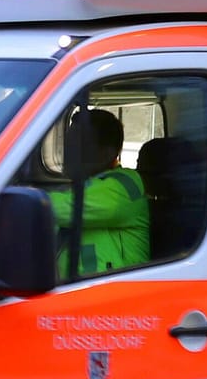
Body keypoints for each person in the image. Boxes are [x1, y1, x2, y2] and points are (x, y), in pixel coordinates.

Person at [48, 108, 151, 277]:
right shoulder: (75, 188)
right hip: (78, 293)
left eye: (77, 145)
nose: (67, 152)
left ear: (106, 153)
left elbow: (69, 207)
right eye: (67, 144)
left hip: (119, 296)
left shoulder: (126, 184)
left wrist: (31, 203)